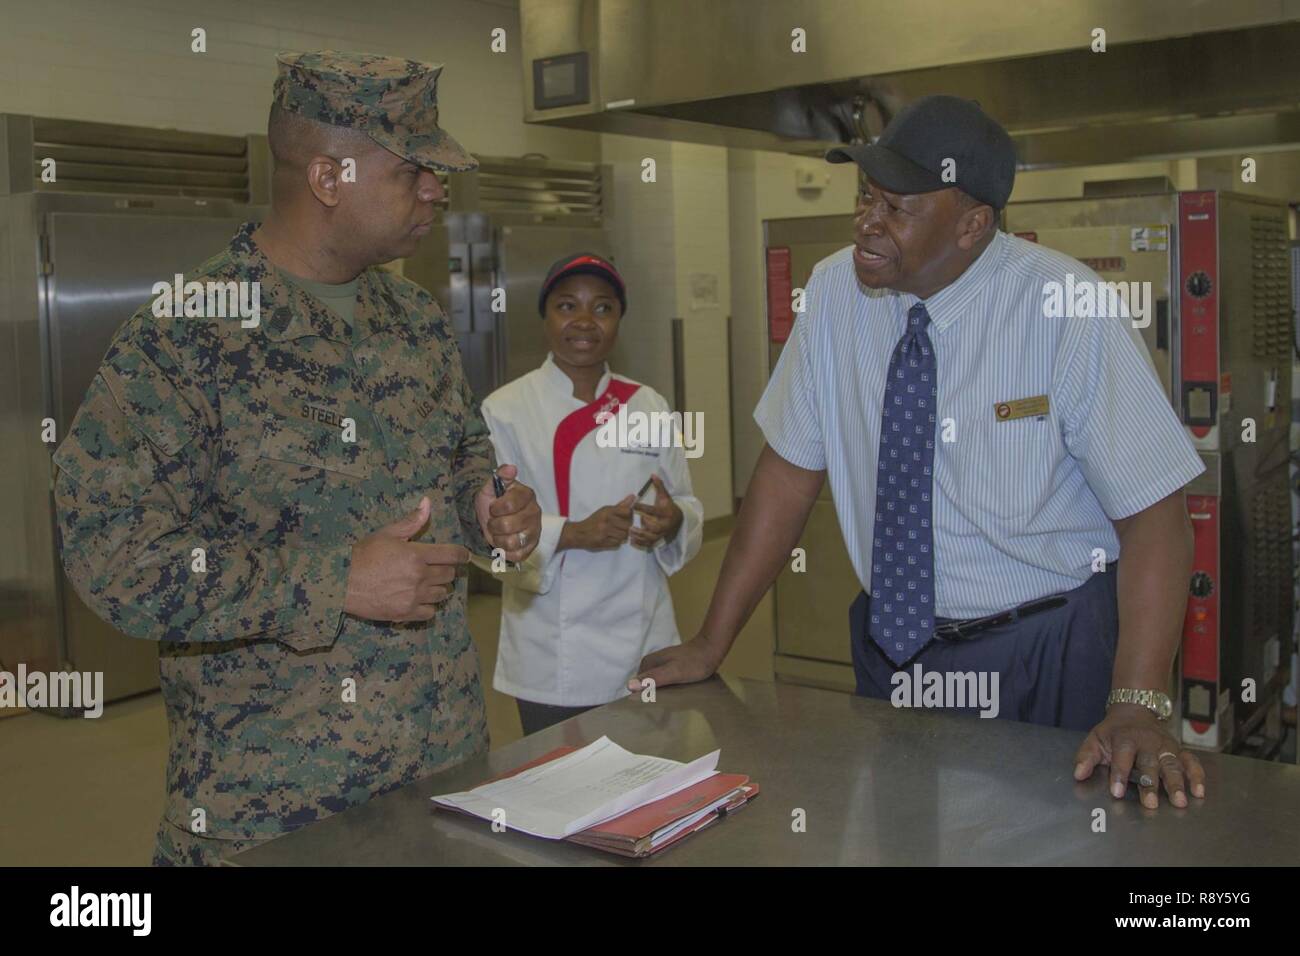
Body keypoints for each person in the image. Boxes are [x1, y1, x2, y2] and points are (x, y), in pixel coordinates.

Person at [633, 95, 1209, 811]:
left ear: (973, 226)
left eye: (897, 207)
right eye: (867, 197)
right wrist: (711, 640)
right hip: (894, 647)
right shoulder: (835, 296)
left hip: (1046, 648)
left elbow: (1156, 520)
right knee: (903, 834)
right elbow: (786, 473)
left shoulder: (1065, 310)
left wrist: (1136, 705)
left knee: (1050, 845)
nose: (868, 223)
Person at [51, 51, 541, 865]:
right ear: (327, 178)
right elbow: (110, 554)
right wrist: (332, 581)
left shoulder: (414, 320)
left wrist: (493, 513)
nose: (435, 190)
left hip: (440, 769)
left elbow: (462, 458)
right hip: (277, 809)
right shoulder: (185, 337)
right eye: (413, 170)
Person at [478, 253, 703, 735]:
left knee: (646, 784)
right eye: (566, 306)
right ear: (545, 316)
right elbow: (494, 529)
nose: (584, 321)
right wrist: (574, 533)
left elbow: (686, 501)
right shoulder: (506, 410)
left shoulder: (647, 403)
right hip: (554, 651)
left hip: (643, 633)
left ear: (619, 319)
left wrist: (674, 522)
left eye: (602, 308)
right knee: (559, 791)